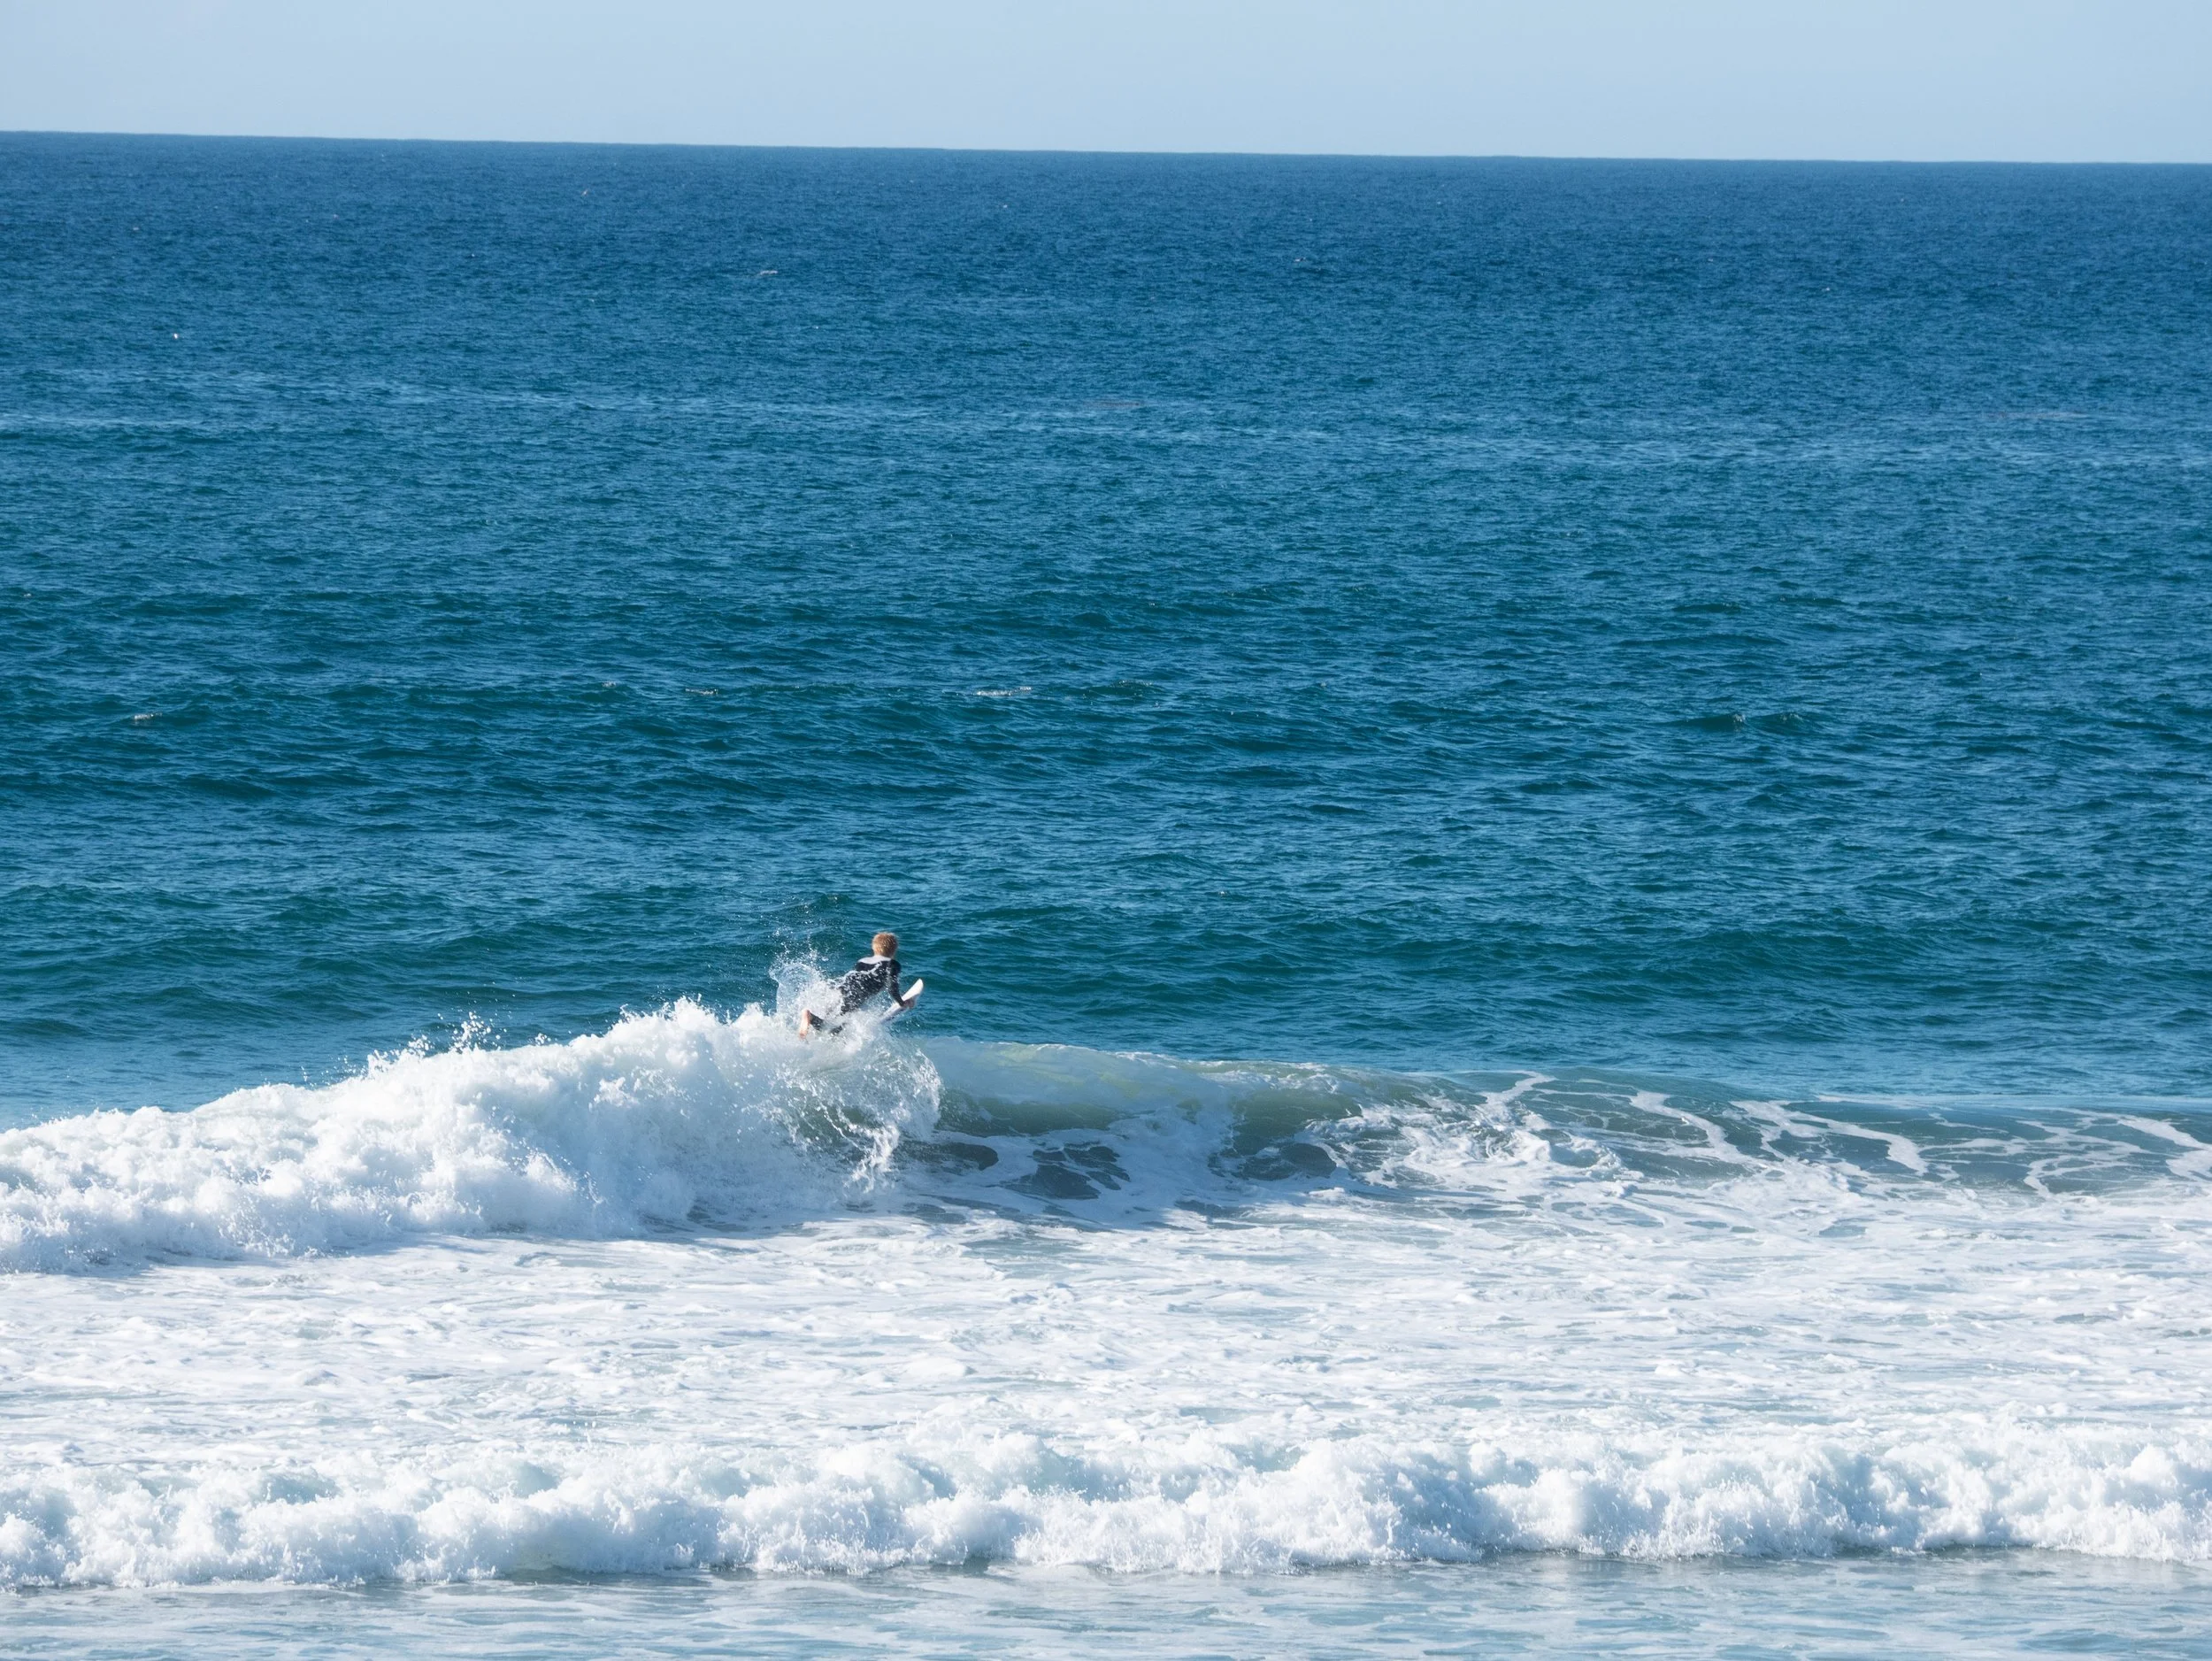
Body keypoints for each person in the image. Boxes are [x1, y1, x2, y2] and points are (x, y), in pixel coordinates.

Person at [798, 932, 911, 1036]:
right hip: (857, 994)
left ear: (874, 948)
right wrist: (901, 1002)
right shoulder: (892, 964)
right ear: (894, 949)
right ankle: (810, 1017)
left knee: (833, 1019)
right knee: (834, 1028)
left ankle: (810, 1018)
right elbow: (892, 987)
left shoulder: (863, 961)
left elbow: (855, 977)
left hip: (842, 989)